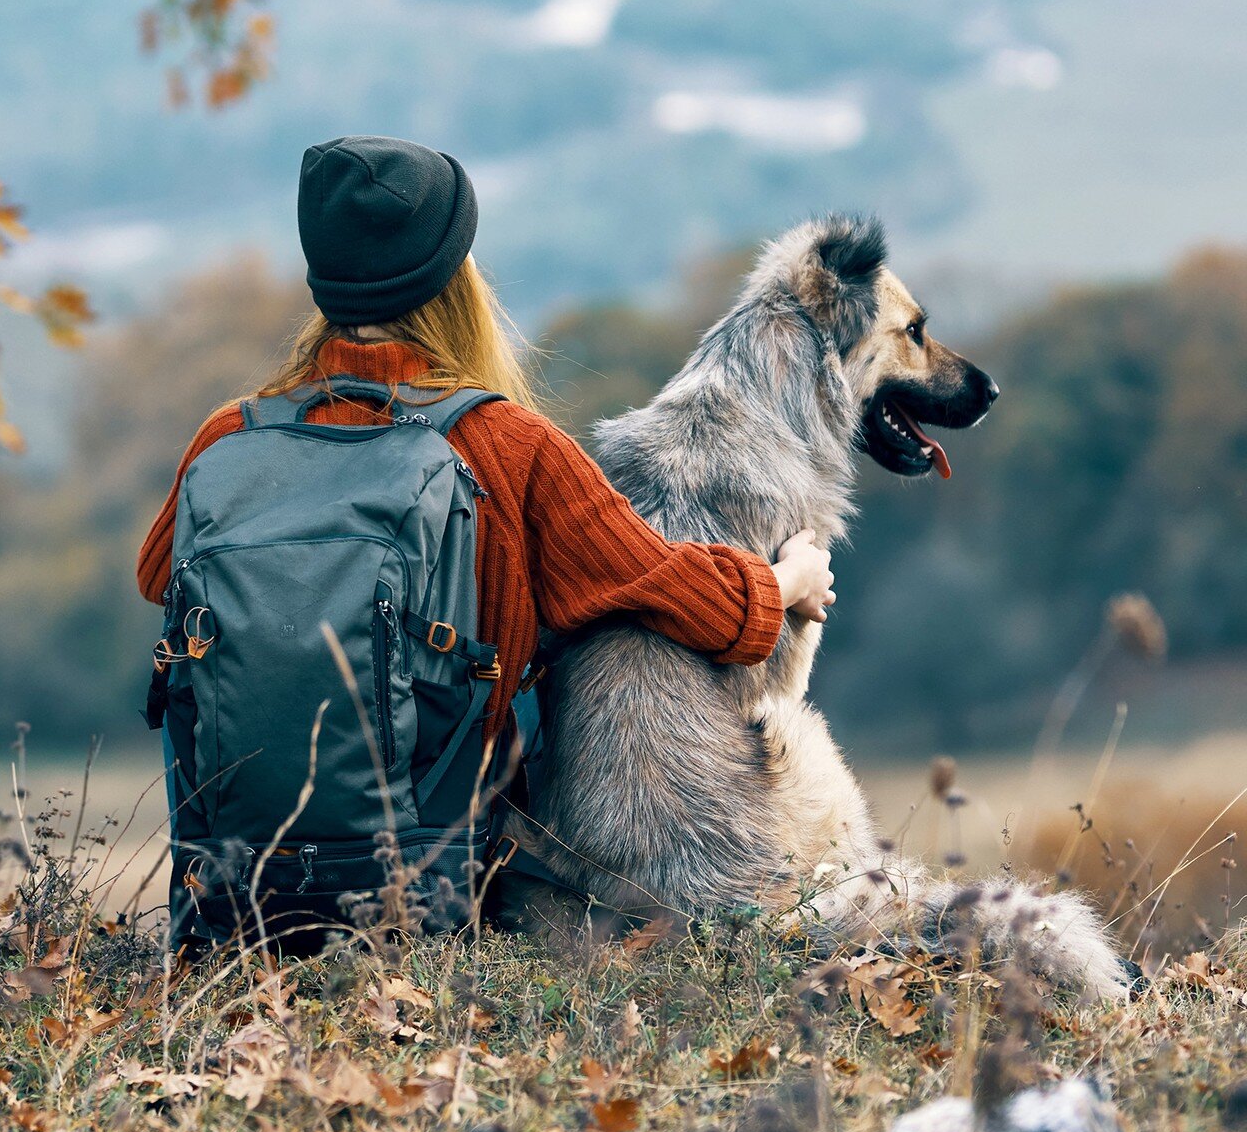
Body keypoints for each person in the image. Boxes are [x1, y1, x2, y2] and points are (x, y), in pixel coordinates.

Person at [136, 135, 834, 853]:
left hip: (235, 884)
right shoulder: (510, 444)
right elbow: (668, 588)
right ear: (453, 278)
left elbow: (158, 575)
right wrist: (787, 581)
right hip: (433, 875)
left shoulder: (227, 436)